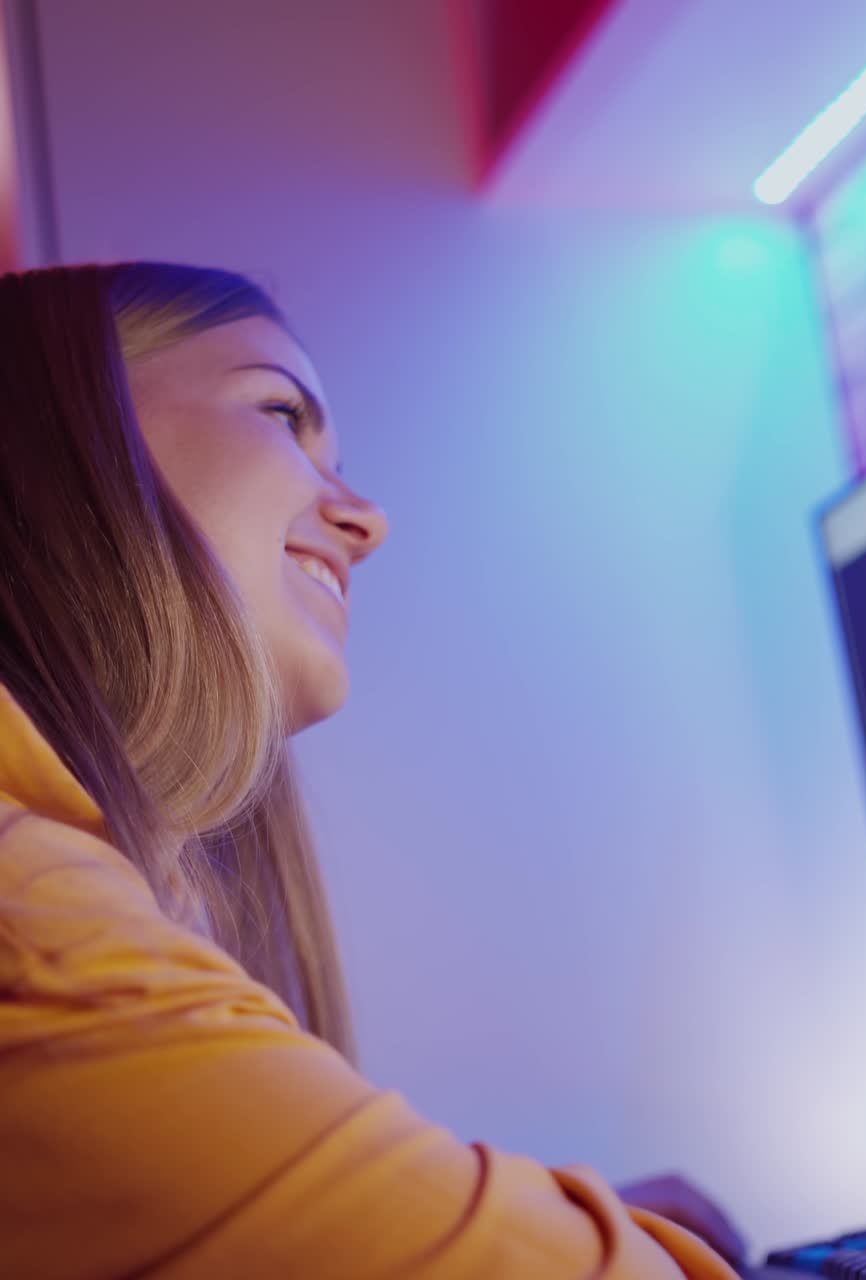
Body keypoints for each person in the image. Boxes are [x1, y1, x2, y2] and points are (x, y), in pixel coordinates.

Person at [0, 263, 747, 1277]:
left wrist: (539, 1209)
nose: (367, 518)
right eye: (278, 410)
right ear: (52, 430)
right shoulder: (32, 926)